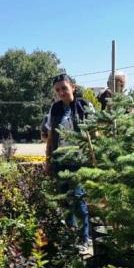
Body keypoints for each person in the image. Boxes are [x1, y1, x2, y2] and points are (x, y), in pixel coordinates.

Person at [44, 73, 94, 253]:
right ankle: (70, 232)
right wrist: (48, 160)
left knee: (78, 198)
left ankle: (84, 237)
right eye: (57, 90)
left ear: (73, 87)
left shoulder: (84, 106)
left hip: (78, 161)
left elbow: (94, 134)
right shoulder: (55, 109)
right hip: (60, 160)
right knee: (65, 200)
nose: (61, 92)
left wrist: (95, 158)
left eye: (64, 88)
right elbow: (50, 137)